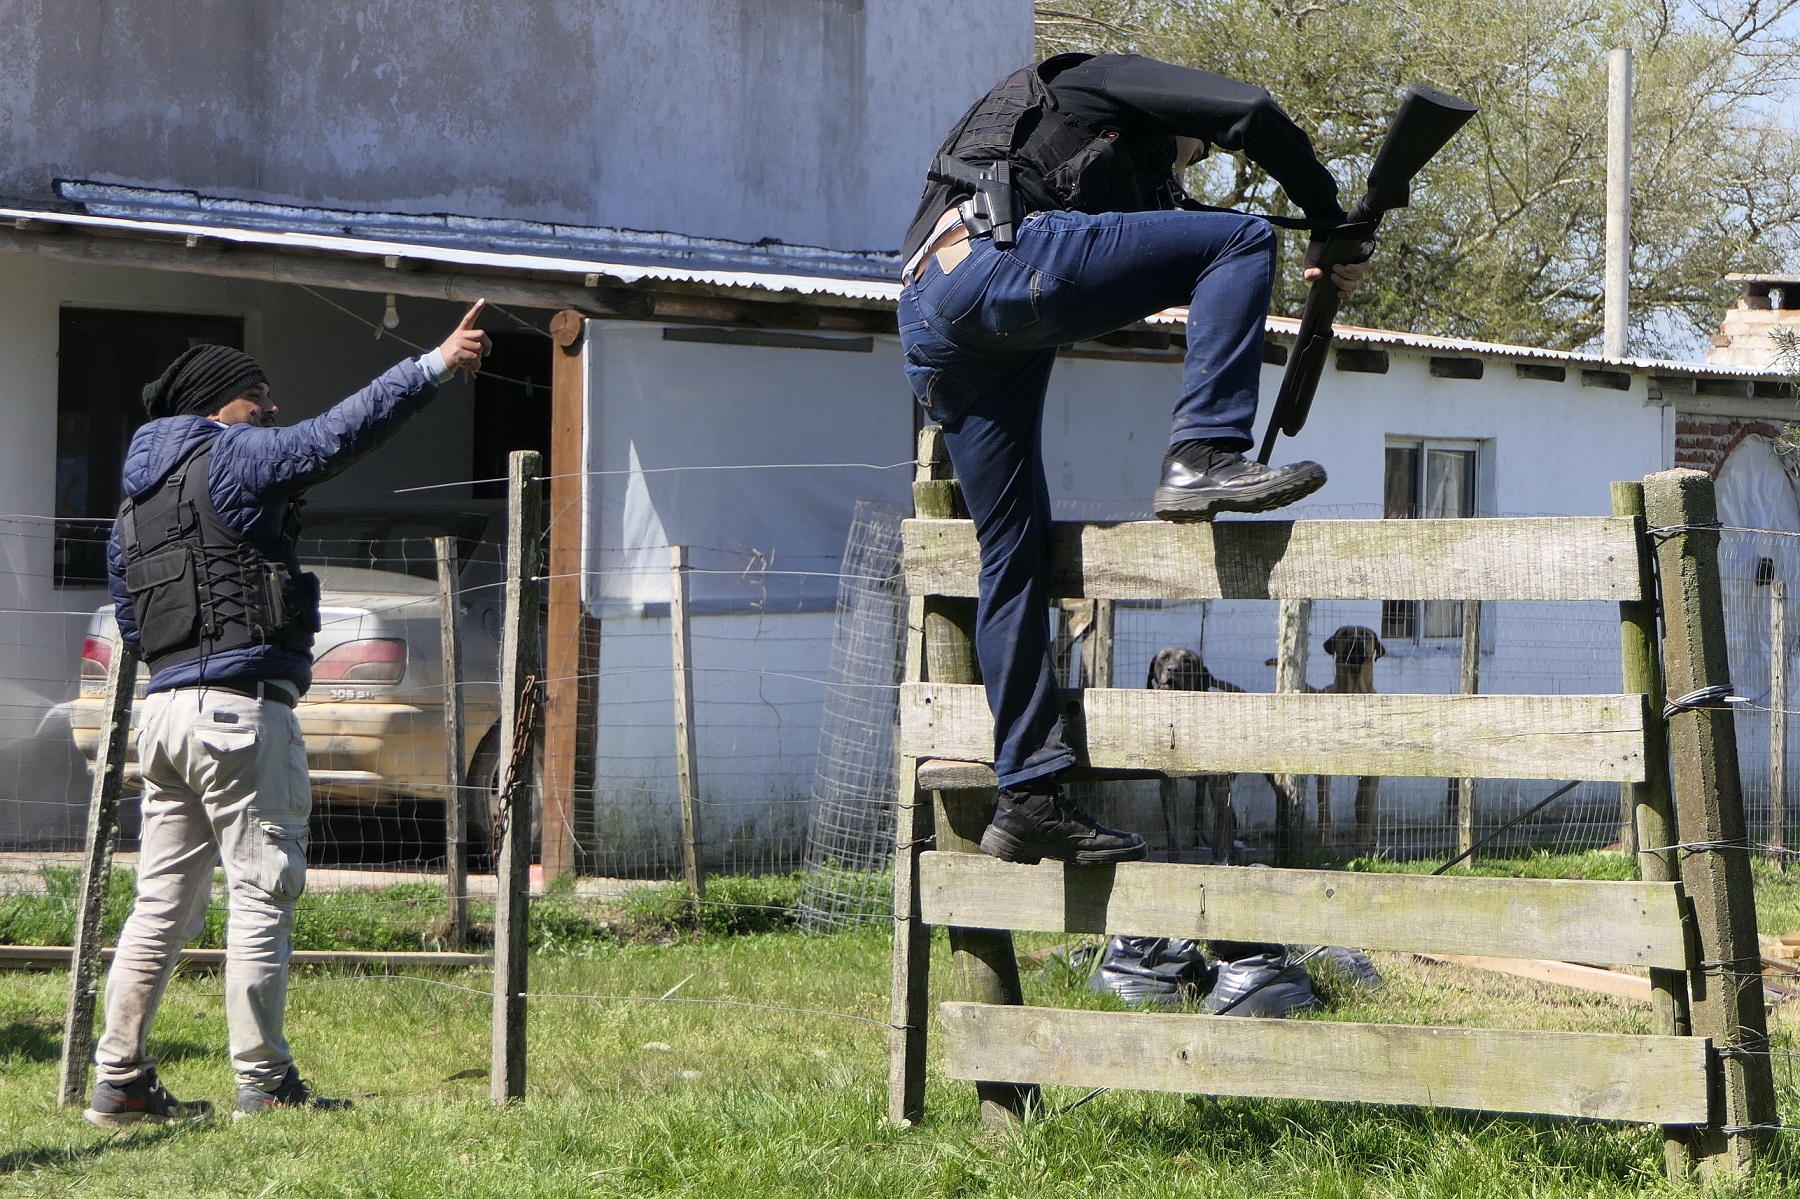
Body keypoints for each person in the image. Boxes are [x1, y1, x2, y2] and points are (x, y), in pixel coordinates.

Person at [898, 53, 1367, 866]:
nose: (1188, 166)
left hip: (933, 315)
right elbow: (1251, 112)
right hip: (993, 260)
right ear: (1176, 116)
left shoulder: (1064, 155)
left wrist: (1320, 265)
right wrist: (1329, 218)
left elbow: (1165, 251)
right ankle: (1203, 453)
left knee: (1013, 555)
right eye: (1193, 150)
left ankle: (1028, 793)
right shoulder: (1099, 82)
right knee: (1244, 238)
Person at [83, 302, 492, 1127]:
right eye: (258, 396)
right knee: (263, 890)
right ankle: (264, 1082)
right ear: (217, 404)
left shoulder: (131, 510)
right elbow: (336, 437)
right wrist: (435, 365)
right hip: (239, 714)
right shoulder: (231, 456)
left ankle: (120, 1078)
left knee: (160, 904)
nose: (271, 408)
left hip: (163, 719)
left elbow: (132, 624)